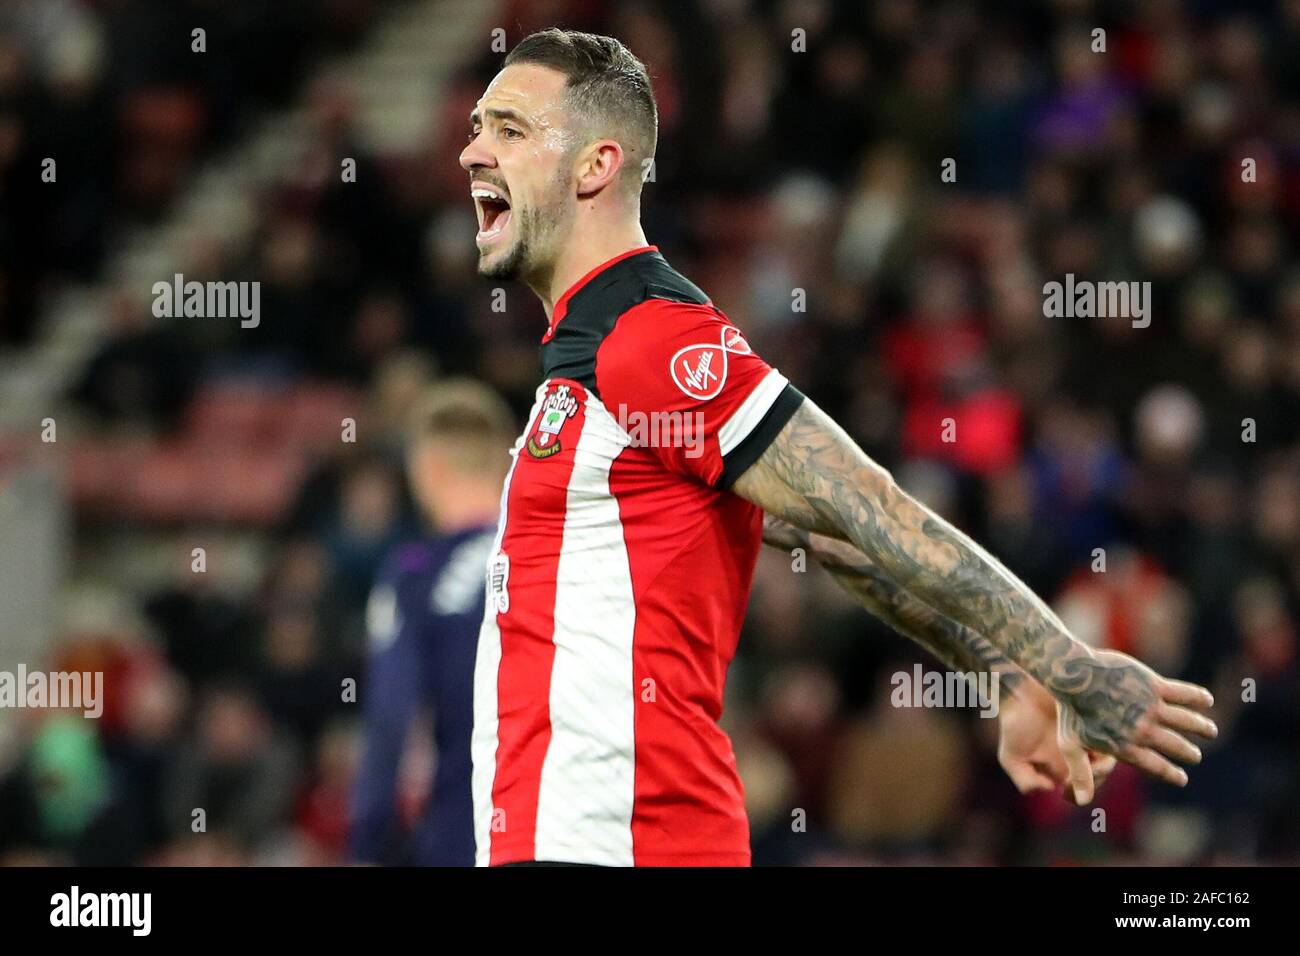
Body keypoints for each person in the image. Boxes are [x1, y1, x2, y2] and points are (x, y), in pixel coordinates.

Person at [459, 28, 1216, 867]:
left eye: (509, 128)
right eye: (477, 126)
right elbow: (830, 542)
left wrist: (1069, 670)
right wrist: (1006, 678)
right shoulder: (593, 354)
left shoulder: (646, 343)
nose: (471, 152)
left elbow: (866, 504)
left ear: (595, 166)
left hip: (618, 841)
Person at [349, 380, 516, 865]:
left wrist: (370, 839)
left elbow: (393, 714)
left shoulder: (414, 573)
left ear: (427, 468)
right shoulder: (551, 559)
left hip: (457, 832)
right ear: (504, 464)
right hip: (556, 830)